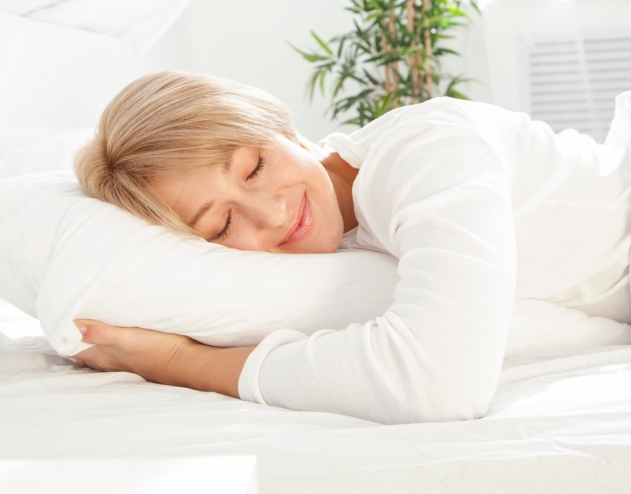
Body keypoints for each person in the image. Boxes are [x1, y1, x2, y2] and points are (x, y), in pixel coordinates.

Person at [72, 71, 631, 424]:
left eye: (256, 167)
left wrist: (181, 361)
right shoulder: (338, 241)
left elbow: (436, 384)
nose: (273, 212)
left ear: (287, 130)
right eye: (221, 226)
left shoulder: (427, 152)